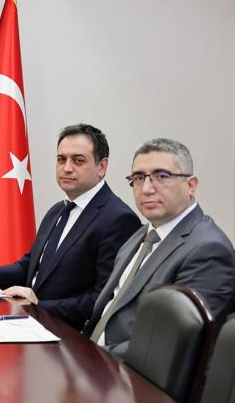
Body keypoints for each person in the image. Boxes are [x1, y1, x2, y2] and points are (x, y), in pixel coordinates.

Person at [0, 124, 140, 329]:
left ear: (102, 167)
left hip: (70, 336)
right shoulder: (58, 210)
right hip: (32, 324)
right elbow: (29, 267)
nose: (67, 168)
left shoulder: (118, 219)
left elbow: (104, 300)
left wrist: (39, 306)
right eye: (61, 159)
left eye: (78, 160)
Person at [84, 138, 235, 358]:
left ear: (191, 185)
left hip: (132, 374)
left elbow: (173, 343)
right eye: (138, 178)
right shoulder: (141, 235)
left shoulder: (209, 250)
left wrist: (92, 358)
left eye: (162, 176)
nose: (146, 189)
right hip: (92, 358)